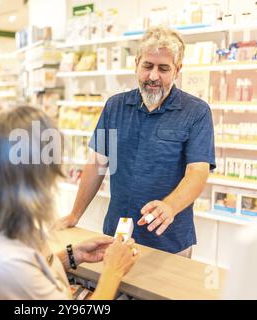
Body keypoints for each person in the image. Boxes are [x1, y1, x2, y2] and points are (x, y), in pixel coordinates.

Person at [59, 26, 216, 258]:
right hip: (116, 234)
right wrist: (74, 214)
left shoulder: (197, 112)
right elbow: (97, 164)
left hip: (169, 240)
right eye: (147, 66)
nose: (153, 76)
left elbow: (197, 172)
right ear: (136, 64)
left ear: (177, 70)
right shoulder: (115, 106)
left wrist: (169, 206)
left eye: (163, 68)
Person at [0, 106, 138, 300]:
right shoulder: (6, 264)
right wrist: (113, 272)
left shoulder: (8, 234)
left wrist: (73, 255)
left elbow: (35, 274)